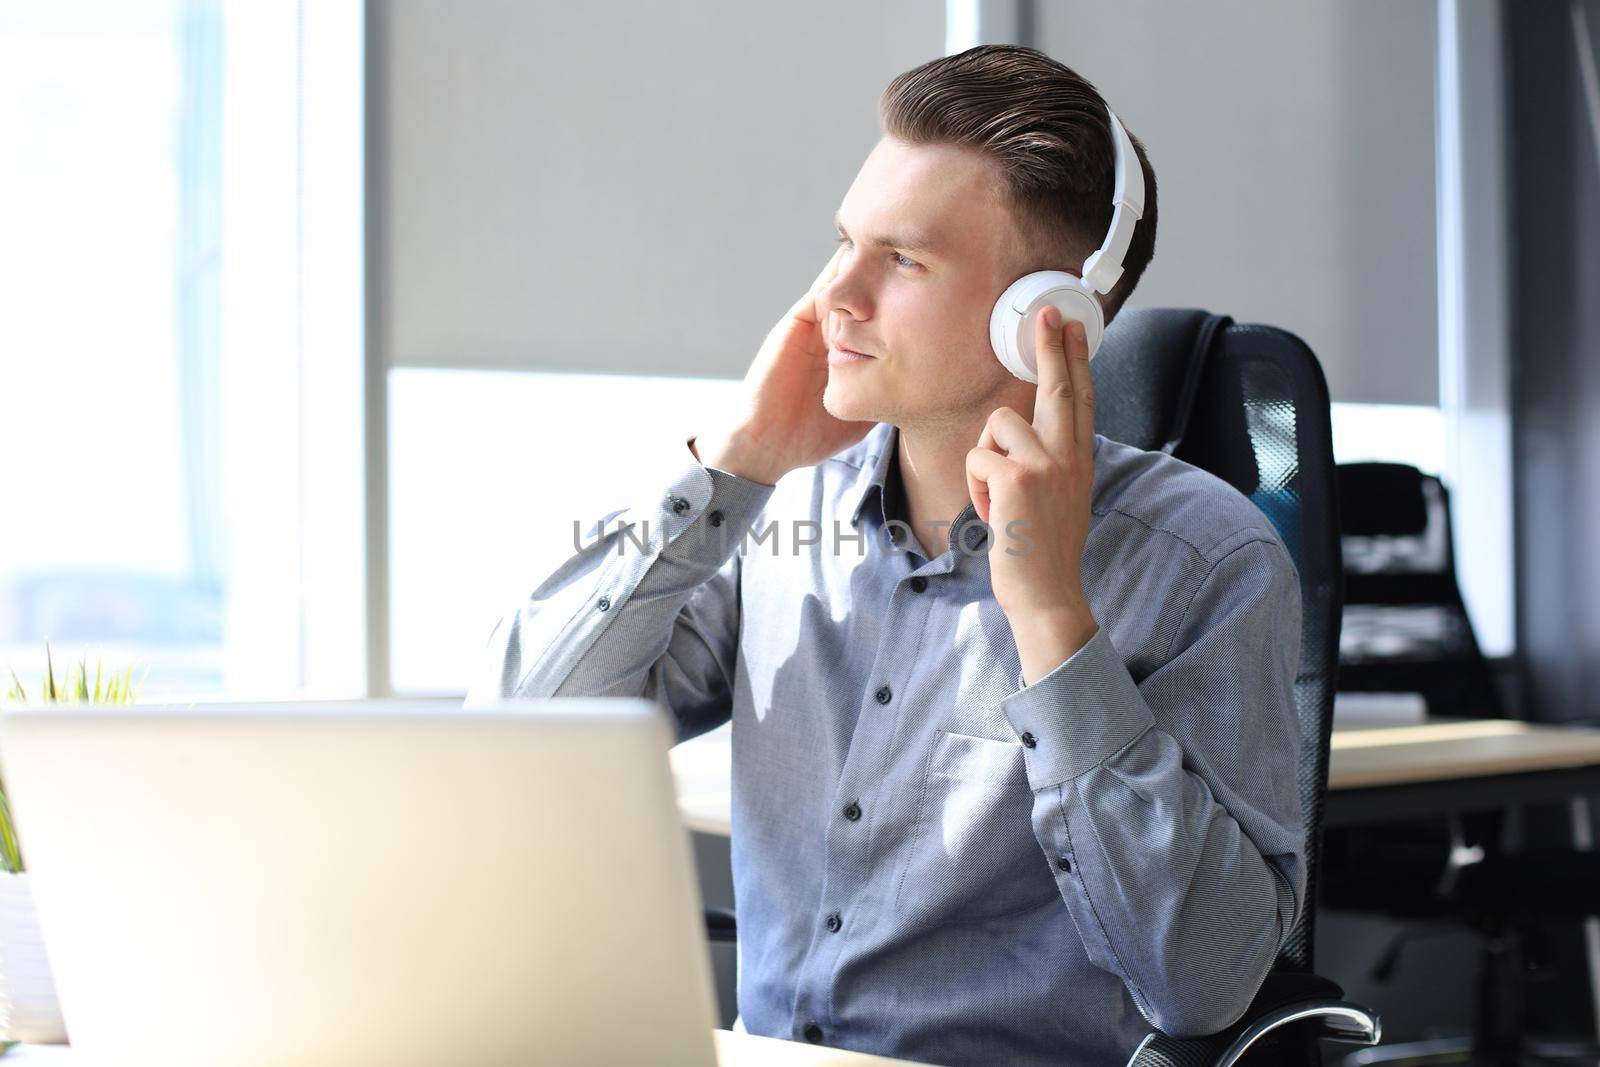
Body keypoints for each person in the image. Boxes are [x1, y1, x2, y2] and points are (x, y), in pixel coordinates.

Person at [466, 44, 1304, 1067]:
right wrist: (729, 469)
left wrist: (1050, 621)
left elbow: (1203, 983)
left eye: (902, 259)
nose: (834, 297)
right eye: (842, 243)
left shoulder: (1205, 559)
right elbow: (515, 736)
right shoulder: (780, 515)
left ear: (1047, 318)